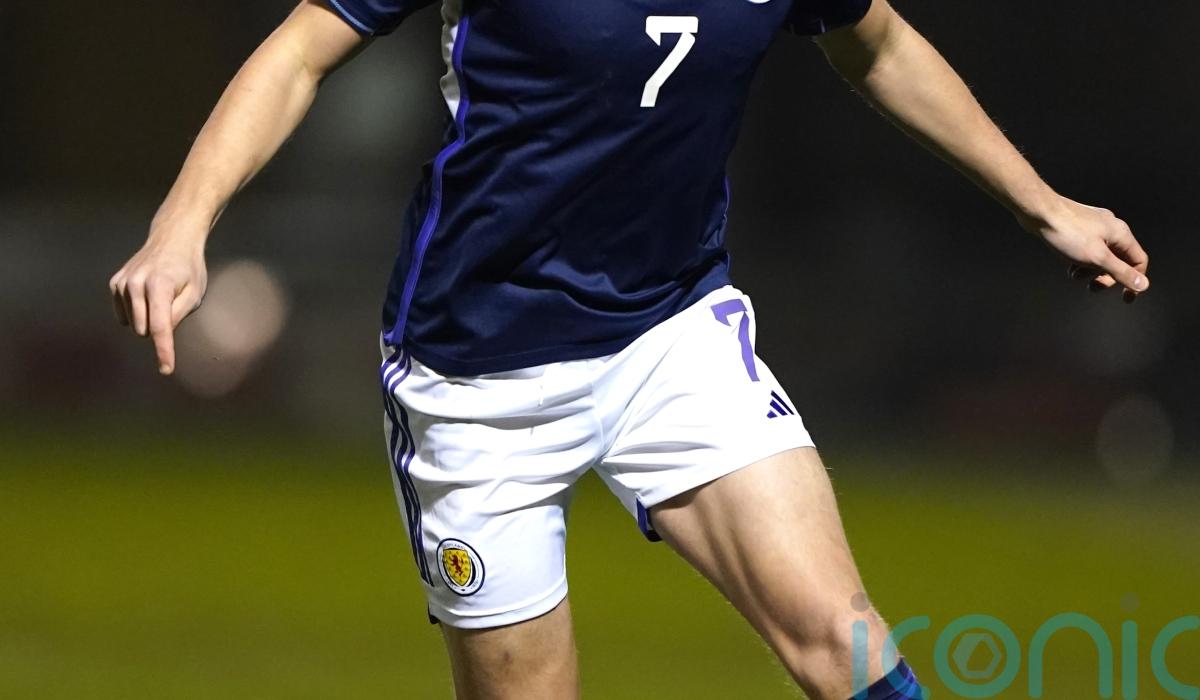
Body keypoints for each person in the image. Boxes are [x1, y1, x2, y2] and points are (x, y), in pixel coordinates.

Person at [108, 0, 1150, 697]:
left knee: (843, 642)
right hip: (481, 373)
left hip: (671, 332)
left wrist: (1042, 204)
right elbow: (301, 49)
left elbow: (876, 45)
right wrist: (182, 224)